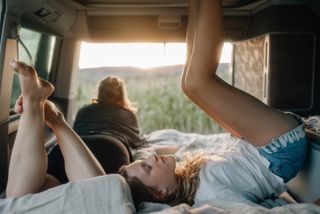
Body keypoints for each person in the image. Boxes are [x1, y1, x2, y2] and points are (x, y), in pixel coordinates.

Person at [118, 0, 311, 208]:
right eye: (148, 168)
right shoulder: (210, 198)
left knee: (187, 85)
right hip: (278, 152)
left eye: (145, 161)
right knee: (196, 82)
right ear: (160, 193)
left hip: (256, 146)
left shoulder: (188, 177)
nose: (153, 158)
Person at [47, 76, 146, 183]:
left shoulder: (84, 110)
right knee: (102, 189)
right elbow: (137, 142)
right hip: (110, 146)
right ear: (122, 94)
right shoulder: (128, 114)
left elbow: (73, 132)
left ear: (100, 92)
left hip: (70, 146)